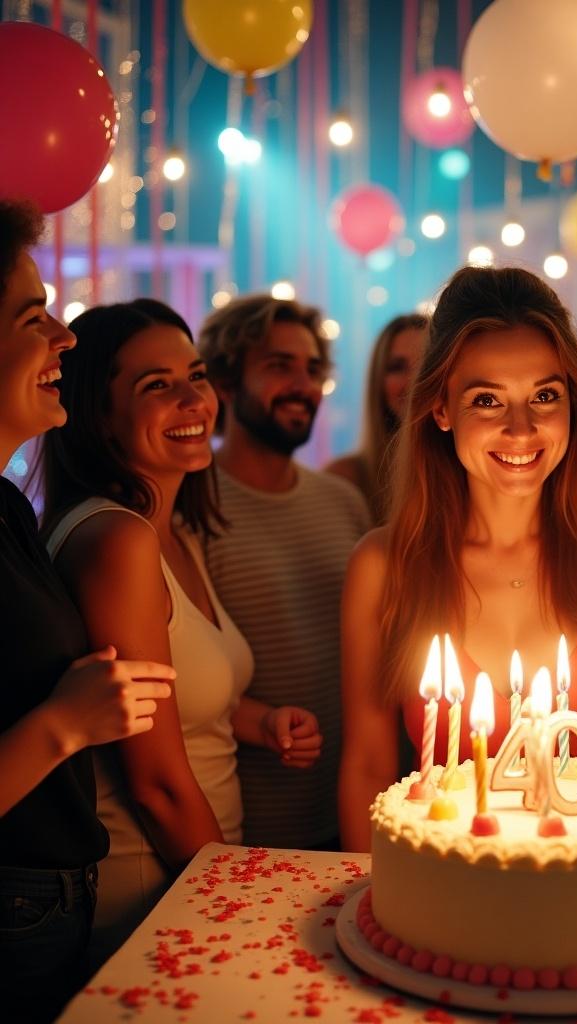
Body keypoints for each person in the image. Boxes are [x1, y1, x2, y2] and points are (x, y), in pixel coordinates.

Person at [338, 266, 577, 852]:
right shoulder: (384, 565)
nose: (521, 429)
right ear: (441, 410)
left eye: (545, 396)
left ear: (574, 402)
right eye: (487, 399)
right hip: (442, 898)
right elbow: (368, 764)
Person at [41, 299, 318, 963]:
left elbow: (175, 700)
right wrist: (243, 903)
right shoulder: (117, 540)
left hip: (191, 878)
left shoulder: (173, 532)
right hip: (150, 894)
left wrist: (263, 720)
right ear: (97, 413)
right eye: (156, 386)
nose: (193, 400)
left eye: (195, 376)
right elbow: (155, 783)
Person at [0, 200, 174, 1023]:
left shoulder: (5, 507)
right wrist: (64, 725)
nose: (63, 339)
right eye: (35, 318)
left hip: (54, 898)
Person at [199, 294, 370, 850]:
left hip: (349, 817)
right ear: (225, 380)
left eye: (313, 369)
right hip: (242, 836)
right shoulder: (192, 508)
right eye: (278, 366)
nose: (302, 384)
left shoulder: (342, 502)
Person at [324, 313, 428, 524]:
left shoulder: (474, 474)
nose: (412, 381)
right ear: (378, 382)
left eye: (425, 364)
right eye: (397, 367)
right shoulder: (345, 479)